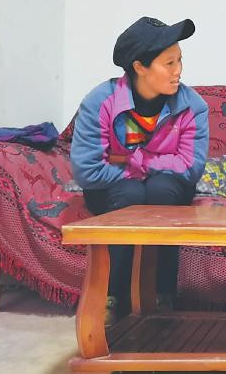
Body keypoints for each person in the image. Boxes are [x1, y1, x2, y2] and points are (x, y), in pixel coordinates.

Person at [71, 17, 209, 326]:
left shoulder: (192, 106)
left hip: (166, 185)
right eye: (169, 63)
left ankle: (163, 294)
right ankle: (113, 297)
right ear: (140, 67)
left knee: (160, 191)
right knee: (131, 194)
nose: (178, 70)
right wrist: (151, 165)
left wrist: (135, 161)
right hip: (113, 188)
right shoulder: (100, 102)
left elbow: (190, 166)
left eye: (180, 60)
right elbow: (87, 168)